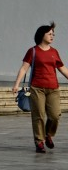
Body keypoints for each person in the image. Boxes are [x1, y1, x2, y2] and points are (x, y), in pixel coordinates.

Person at [12, 23, 68, 154]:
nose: (52, 36)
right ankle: (39, 142)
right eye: (49, 34)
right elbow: (24, 68)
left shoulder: (54, 52)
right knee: (39, 116)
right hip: (37, 88)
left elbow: (62, 69)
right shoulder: (33, 51)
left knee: (55, 115)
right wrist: (16, 84)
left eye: (53, 34)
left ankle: (48, 134)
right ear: (41, 35)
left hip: (53, 88)